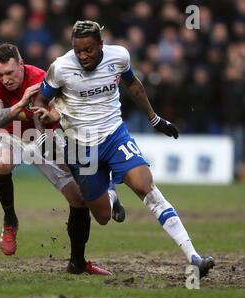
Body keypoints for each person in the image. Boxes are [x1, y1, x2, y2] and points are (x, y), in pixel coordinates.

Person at [34, 20, 215, 278]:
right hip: (80, 147)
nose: (83, 56)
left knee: (146, 187)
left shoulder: (119, 56)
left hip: (115, 136)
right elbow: (41, 102)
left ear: (101, 45)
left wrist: (155, 119)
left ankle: (193, 256)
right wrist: (43, 135)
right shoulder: (61, 67)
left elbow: (133, 85)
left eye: (89, 50)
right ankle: (110, 194)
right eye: (78, 50)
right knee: (103, 217)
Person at [0, 43, 125, 275]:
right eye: (1, 74)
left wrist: (46, 130)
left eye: (10, 73)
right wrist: (20, 102)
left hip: (44, 137)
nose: (5, 79)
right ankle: (10, 221)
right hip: (10, 135)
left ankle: (78, 262)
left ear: (21, 64)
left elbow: (59, 113)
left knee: (79, 199)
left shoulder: (43, 78)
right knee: (0, 162)